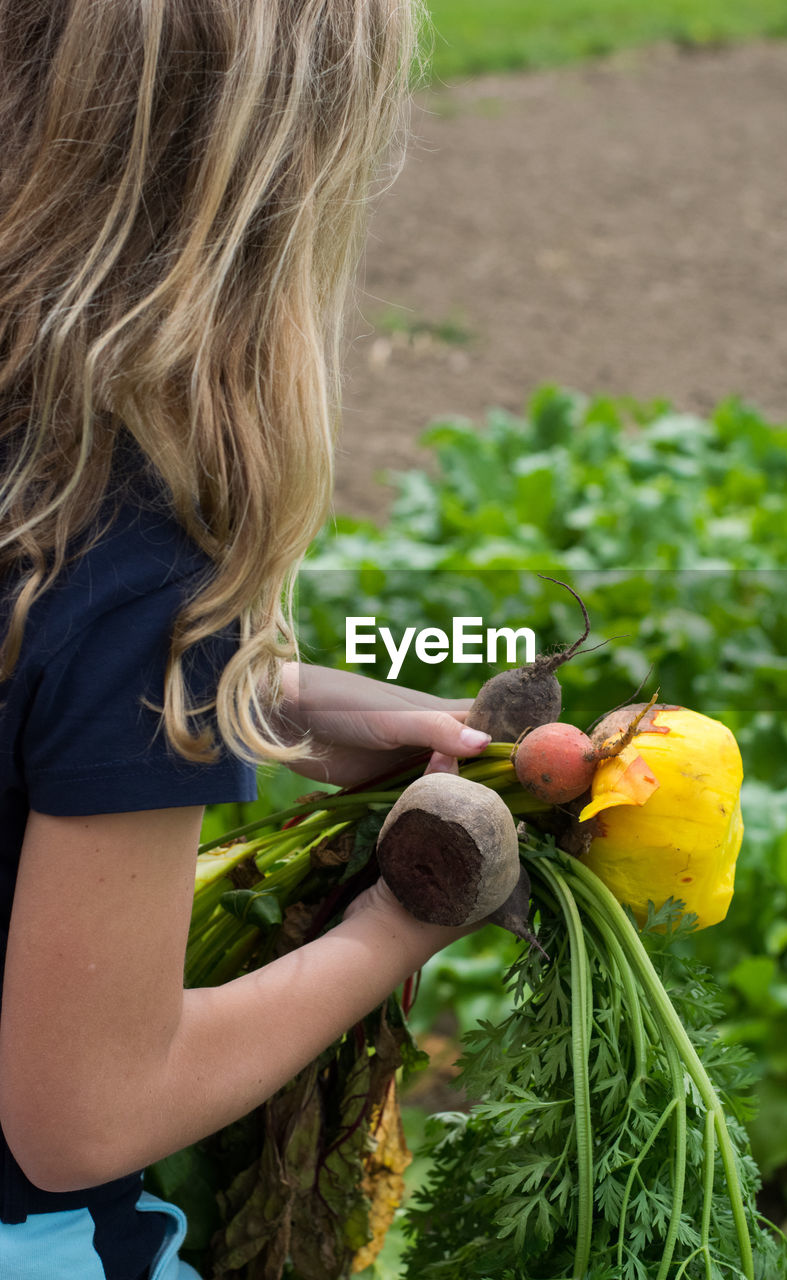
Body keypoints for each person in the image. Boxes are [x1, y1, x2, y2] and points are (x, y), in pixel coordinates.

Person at [0, 3, 492, 1278]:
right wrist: (397, 923)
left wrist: (264, 697)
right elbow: (84, 1112)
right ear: (280, 182)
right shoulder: (129, 556)